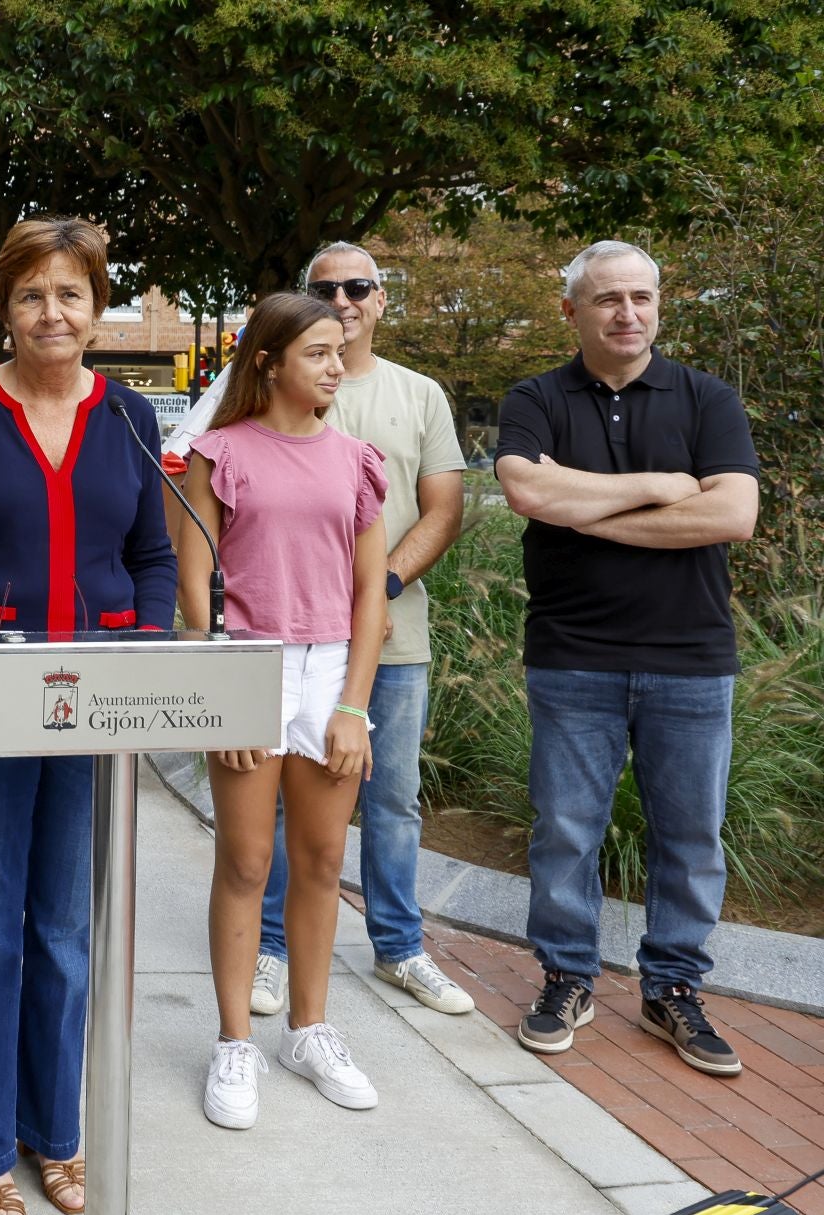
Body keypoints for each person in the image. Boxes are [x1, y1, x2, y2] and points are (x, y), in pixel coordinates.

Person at [0, 217, 176, 1215]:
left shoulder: (131, 414)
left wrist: (145, 642)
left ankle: (55, 1130)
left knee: (65, 929)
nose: (52, 313)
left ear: (98, 306)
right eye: (30, 295)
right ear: (1, 310)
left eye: (71, 293)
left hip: (97, 702)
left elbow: (152, 554)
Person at [495, 240, 759, 1076]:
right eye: (609, 299)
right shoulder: (534, 397)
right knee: (566, 830)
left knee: (690, 835)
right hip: (574, 655)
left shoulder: (707, 398)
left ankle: (672, 988)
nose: (628, 314)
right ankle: (567, 977)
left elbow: (732, 516)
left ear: (659, 304)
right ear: (572, 310)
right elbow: (528, 492)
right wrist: (665, 483)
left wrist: (586, 511)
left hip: (691, 656)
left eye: (642, 297)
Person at [244, 244, 474, 1020]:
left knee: (394, 802)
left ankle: (399, 947)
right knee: (280, 810)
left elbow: (443, 508)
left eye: (358, 286)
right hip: (285, 648)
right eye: (323, 288)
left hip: (390, 641)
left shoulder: (418, 396)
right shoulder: (275, 392)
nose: (342, 298)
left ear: (380, 300)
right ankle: (270, 951)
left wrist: (375, 597)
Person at [181, 291, 389, 1132]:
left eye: (341, 352)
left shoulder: (356, 460)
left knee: (321, 858)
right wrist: (224, 698)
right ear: (268, 361)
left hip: (331, 668)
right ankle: (235, 1041)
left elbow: (374, 591)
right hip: (248, 663)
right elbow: (193, 588)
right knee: (244, 861)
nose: (338, 366)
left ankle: (309, 1030)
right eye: (320, 354)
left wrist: (354, 707)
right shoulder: (219, 453)